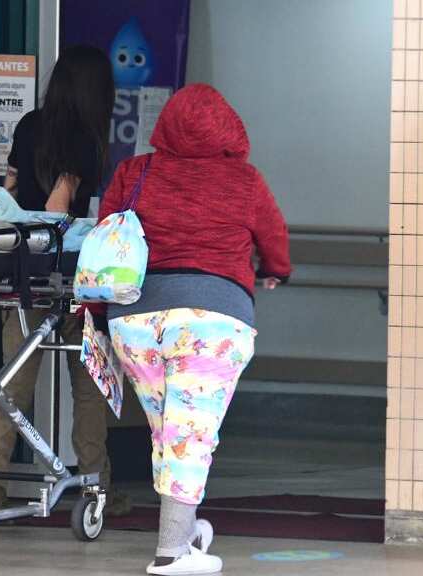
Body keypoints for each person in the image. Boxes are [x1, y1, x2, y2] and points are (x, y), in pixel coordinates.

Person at [99, 83, 291, 575]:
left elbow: (106, 232)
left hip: (135, 321)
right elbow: (275, 241)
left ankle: (186, 532)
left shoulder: (134, 172)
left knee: (171, 432)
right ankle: (170, 556)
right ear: (231, 129)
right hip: (210, 322)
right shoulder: (244, 181)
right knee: (190, 436)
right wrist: (276, 270)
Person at [0, 45, 121, 512]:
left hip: (19, 274)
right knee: (89, 385)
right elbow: (58, 206)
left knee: (11, 382)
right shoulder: (86, 140)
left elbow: (11, 189)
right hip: (68, 277)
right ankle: (95, 487)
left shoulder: (29, 125)